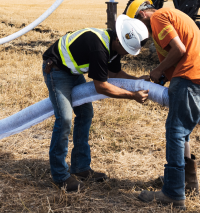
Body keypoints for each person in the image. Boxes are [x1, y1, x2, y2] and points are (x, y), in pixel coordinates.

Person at [126, 0, 200, 208]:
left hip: (188, 77)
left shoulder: (158, 17)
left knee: (175, 132)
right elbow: (178, 55)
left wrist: (158, 69)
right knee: (182, 133)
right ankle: (186, 183)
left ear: (142, 15)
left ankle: (173, 193)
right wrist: (158, 76)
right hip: (199, 76)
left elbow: (179, 50)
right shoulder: (172, 15)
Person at [42, 15, 150, 192]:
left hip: (72, 72)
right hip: (56, 70)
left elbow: (114, 74)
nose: (126, 54)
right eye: (126, 49)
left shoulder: (113, 46)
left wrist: (137, 80)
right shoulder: (99, 47)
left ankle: (81, 167)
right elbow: (102, 86)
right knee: (65, 119)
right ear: (119, 39)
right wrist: (132, 95)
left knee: (85, 113)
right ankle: (60, 176)